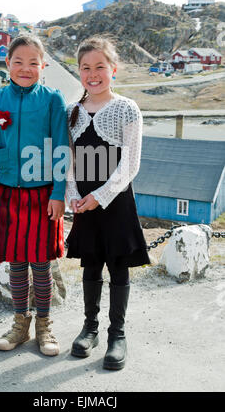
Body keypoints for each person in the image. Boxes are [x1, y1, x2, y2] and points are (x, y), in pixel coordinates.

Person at [0, 33, 69, 356]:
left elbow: (61, 148)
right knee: (16, 263)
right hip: (7, 195)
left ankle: (44, 326)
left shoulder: (52, 100)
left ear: (43, 66)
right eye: (19, 61)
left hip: (43, 196)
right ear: (7, 64)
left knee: (41, 264)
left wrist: (59, 193)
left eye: (33, 63)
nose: (26, 68)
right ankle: (20, 324)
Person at [66, 36, 150, 370]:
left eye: (100, 66)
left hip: (114, 202)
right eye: (86, 68)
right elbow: (69, 160)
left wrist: (99, 197)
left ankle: (118, 334)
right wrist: (73, 193)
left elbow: (130, 164)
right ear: (79, 72)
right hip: (83, 203)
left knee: (117, 266)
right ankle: (90, 328)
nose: (93, 74)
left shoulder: (126, 108)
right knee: (90, 265)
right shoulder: (72, 111)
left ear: (113, 69)